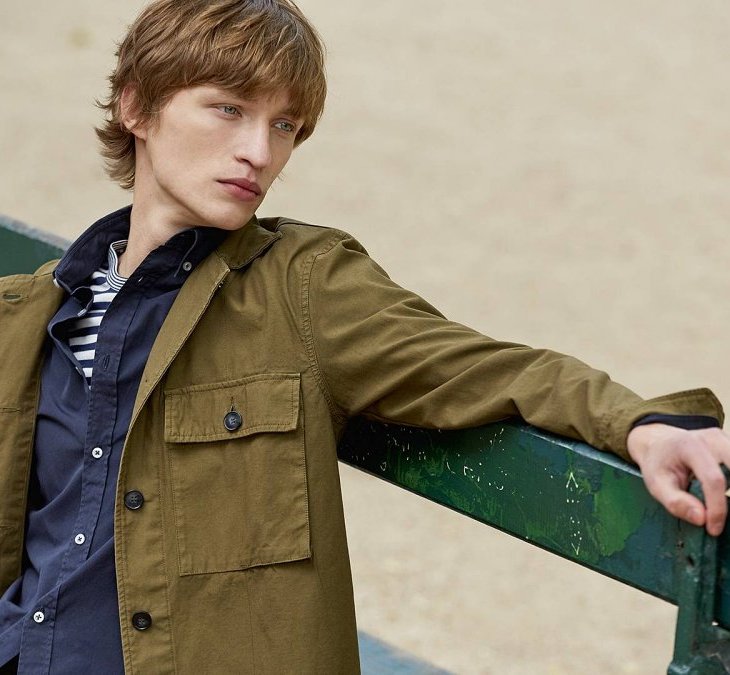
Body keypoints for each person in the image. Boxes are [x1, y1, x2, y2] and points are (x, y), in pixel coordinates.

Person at [0, 0, 727, 672]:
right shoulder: (31, 312)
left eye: (284, 126)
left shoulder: (303, 286)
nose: (258, 151)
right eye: (229, 109)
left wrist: (643, 423)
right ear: (137, 107)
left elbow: (484, 366)